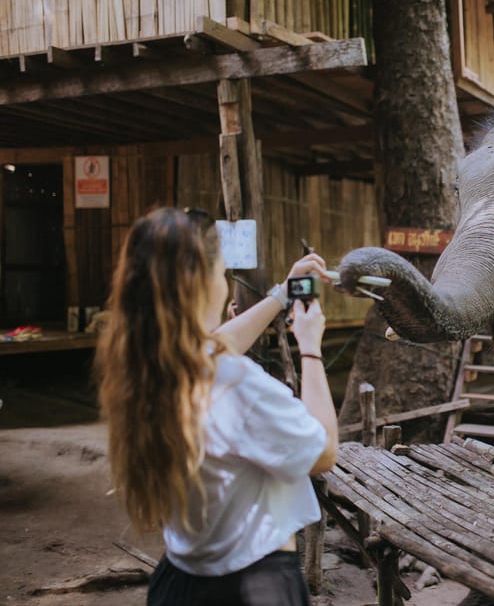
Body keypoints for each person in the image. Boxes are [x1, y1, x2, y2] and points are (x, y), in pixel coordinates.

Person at [95, 206, 338, 606]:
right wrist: (310, 348)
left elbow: (215, 345)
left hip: (178, 581)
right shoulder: (239, 384)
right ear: (204, 282)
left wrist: (281, 294)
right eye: (222, 268)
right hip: (253, 587)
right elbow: (324, 450)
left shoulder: (149, 367)